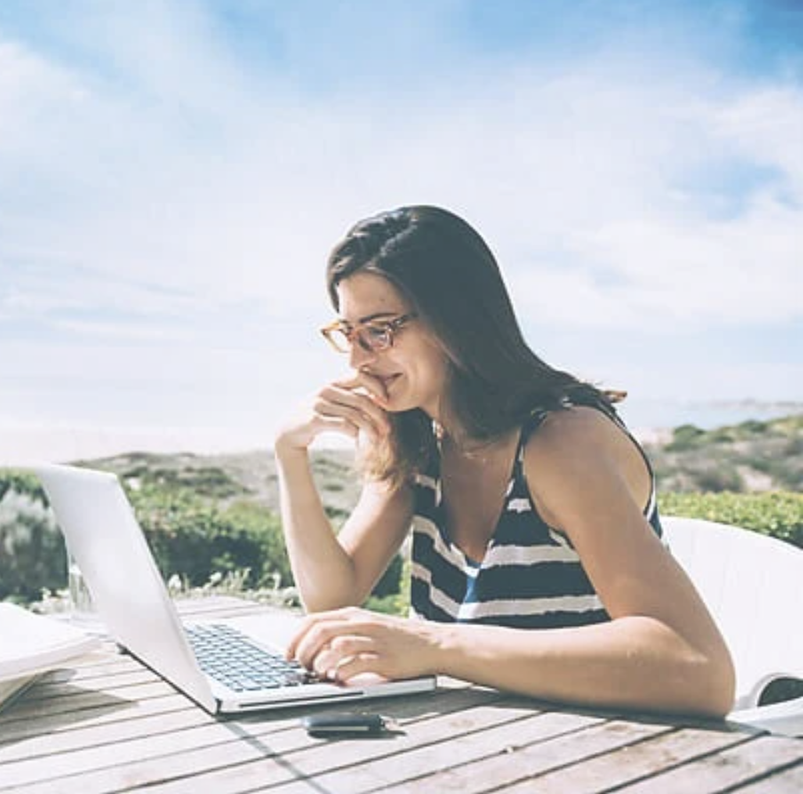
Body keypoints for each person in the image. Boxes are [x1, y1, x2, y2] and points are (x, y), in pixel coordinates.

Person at [276, 205, 735, 717]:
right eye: (350, 333)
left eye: (380, 330)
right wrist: (290, 453)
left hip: (603, 750)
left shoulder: (561, 444)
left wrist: (433, 645)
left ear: (457, 321)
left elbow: (697, 669)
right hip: (476, 747)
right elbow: (333, 597)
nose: (359, 360)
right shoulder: (423, 442)